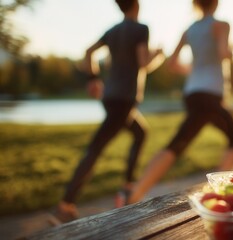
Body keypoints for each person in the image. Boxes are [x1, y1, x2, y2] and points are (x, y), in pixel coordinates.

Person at [52, 0, 164, 223]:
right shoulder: (141, 29)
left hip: (111, 96)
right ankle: (66, 204)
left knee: (140, 133)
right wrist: (159, 54)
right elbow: (143, 63)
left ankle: (127, 187)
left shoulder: (112, 31)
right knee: (95, 148)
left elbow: (88, 52)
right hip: (125, 99)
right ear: (136, 5)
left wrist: (92, 79)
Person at [126, 0, 233, 205]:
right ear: (215, 4)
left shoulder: (189, 29)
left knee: (181, 141)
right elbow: (225, 53)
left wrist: (195, 72)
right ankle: (223, 195)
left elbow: (172, 63)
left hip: (193, 94)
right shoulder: (221, 25)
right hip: (211, 94)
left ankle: (134, 193)